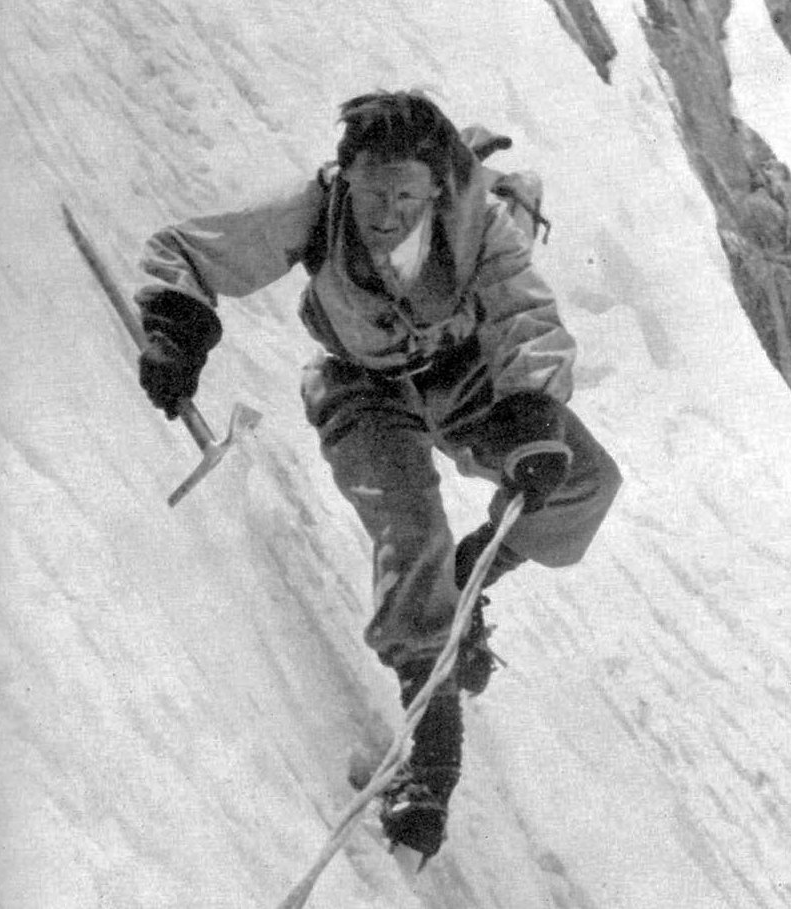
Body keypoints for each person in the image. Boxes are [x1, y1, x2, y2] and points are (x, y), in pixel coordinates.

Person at [134, 90, 622, 862]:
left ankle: (474, 577)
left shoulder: (477, 224)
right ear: (346, 176)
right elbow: (195, 250)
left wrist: (531, 413)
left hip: (467, 378)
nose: (385, 212)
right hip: (363, 389)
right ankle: (432, 755)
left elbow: (524, 313)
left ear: (436, 189)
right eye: (371, 190)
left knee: (586, 482)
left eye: (405, 194)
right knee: (410, 534)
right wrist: (175, 328)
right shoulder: (318, 209)